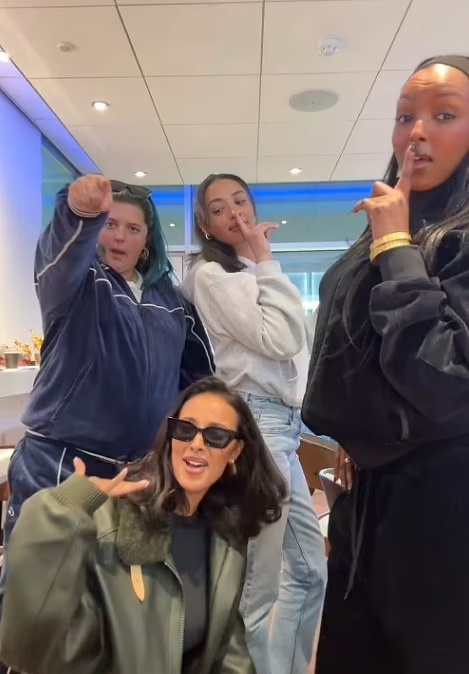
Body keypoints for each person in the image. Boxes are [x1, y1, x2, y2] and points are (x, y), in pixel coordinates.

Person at [302, 54, 469, 674]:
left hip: (444, 504)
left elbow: (444, 378)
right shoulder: (395, 218)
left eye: (443, 115)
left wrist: (396, 247)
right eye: (404, 117)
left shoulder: (432, 232)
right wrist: (364, 431)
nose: (416, 133)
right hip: (369, 494)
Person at [0, 176, 213, 604]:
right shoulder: (77, 283)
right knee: (36, 596)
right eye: (110, 224)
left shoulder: (172, 302)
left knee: (120, 603)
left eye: (133, 228)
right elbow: (59, 255)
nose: (119, 236)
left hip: (138, 476)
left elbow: (199, 383)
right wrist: (77, 212)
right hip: (60, 465)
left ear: (147, 240)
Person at [0, 376, 287, 674]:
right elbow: (25, 648)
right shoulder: (111, 524)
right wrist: (63, 509)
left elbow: (227, 652)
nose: (196, 444)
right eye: (185, 429)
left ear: (235, 451)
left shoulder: (225, 541)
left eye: (215, 435)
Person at [181, 174, 327, 674]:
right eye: (219, 208)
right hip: (257, 424)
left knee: (310, 572)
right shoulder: (211, 275)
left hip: (281, 427)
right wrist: (266, 259)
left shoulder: (250, 272)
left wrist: (262, 264)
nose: (235, 214)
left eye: (240, 201)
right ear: (205, 224)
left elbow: (294, 348)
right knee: (256, 589)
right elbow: (281, 338)